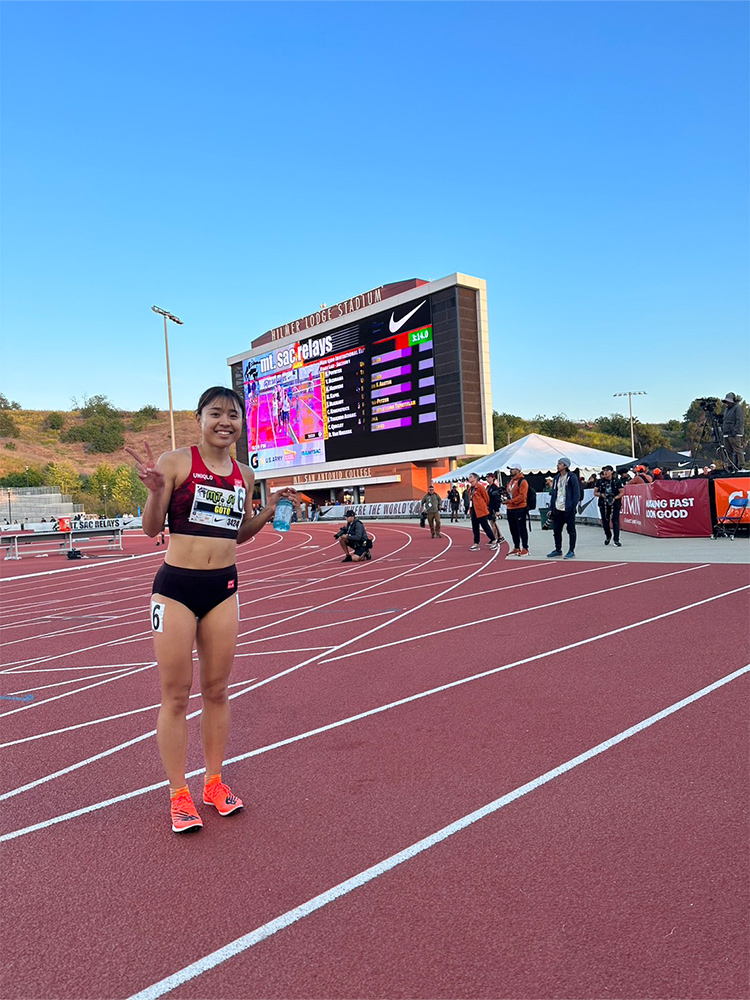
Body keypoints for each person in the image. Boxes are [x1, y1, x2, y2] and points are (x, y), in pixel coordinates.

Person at [126, 386, 295, 834]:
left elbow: (235, 534)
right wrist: (155, 493)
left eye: (233, 415)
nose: (225, 421)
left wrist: (268, 511)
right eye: (216, 413)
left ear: (241, 423)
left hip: (223, 588)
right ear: (199, 418)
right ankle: (178, 792)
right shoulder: (175, 462)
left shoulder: (245, 474)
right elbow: (151, 530)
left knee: (217, 690)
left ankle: (213, 783)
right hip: (176, 590)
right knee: (176, 695)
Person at [547, 457, 582, 559]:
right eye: (558, 463)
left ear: (565, 466)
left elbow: (576, 493)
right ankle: (558, 549)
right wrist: (552, 508)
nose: (557, 465)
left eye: (560, 464)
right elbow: (554, 493)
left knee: (571, 530)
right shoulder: (556, 478)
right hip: (558, 508)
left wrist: (571, 506)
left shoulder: (572, 477)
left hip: (568, 509)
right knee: (556, 530)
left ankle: (571, 550)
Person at [593, 465, 625, 547]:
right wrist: (602, 495)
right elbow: (595, 492)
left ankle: (616, 539)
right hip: (603, 503)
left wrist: (615, 498)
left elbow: (622, 492)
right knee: (605, 521)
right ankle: (608, 535)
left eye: (607, 470)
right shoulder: (600, 481)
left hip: (615, 504)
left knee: (615, 521)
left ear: (612, 472)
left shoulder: (616, 481)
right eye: (604, 471)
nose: (605, 472)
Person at [467, 472, 497, 551]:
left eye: (471, 477)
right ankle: (476, 543)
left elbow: (486, 498)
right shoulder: (470, 489)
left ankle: (493, 540)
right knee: (475, 527)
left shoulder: (480, 487)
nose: (469, 478)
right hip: (473, 510)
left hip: (481, 510)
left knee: (485, 526)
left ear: (475, 478)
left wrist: (483, 506)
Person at [505, 464, 529, 556]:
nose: (510, 470)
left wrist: (511, 501)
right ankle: (516, 547)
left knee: (522, 528)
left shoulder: (522, 481)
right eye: (510, 469)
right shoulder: (510, 481)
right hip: (510, 508)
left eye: (512, 469)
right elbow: (509, 493)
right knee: (513, 529)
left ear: (518, 470)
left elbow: (522, 496)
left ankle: (525, 548)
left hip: (520, 508)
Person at [722, 392, 745, 468]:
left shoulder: (738, 408)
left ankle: (741, 465)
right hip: (727, 433)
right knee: (728, 451)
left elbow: (740, 421)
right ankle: (730, 465)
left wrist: (735, 431)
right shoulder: (726, 410)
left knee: (738, 450)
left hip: (735, 434)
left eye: (728, 401)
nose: (727, 403)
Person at [484, 473, 506, 544]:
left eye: (489, 477)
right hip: (489, 507)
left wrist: (497, 510)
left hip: (493, 507)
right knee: (493, 523)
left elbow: (497, 499)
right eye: (487, 478)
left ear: (493, 478)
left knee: (492, 523)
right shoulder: (488, 487)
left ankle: (494, 538)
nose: (487, 479)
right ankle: (500, 536)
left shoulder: (494, 488)